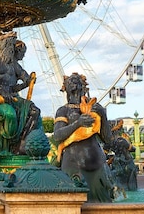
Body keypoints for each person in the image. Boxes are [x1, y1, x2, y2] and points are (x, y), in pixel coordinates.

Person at [52, 73, 114, 202]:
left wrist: (102, 114)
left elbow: (107, 139)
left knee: (103, 206)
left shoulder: (95, 109)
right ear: (65, 88)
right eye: (70, 81)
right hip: (73, 164)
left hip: (97, 164)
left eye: (77, 81)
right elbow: (57, 135)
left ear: (83, 87)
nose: (74, 82)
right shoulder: (63, 110)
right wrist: (78, 123)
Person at [0, 33, 40, 156]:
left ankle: (21, 144)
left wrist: (29, 81)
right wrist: (0, 92)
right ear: (3, 46)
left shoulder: (13, 64)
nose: (12, 50)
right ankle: (6, 146)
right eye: (10, 46)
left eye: (13, 47)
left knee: (35, 111)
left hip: (12, 97)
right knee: (10, 114)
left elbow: (23, 78)